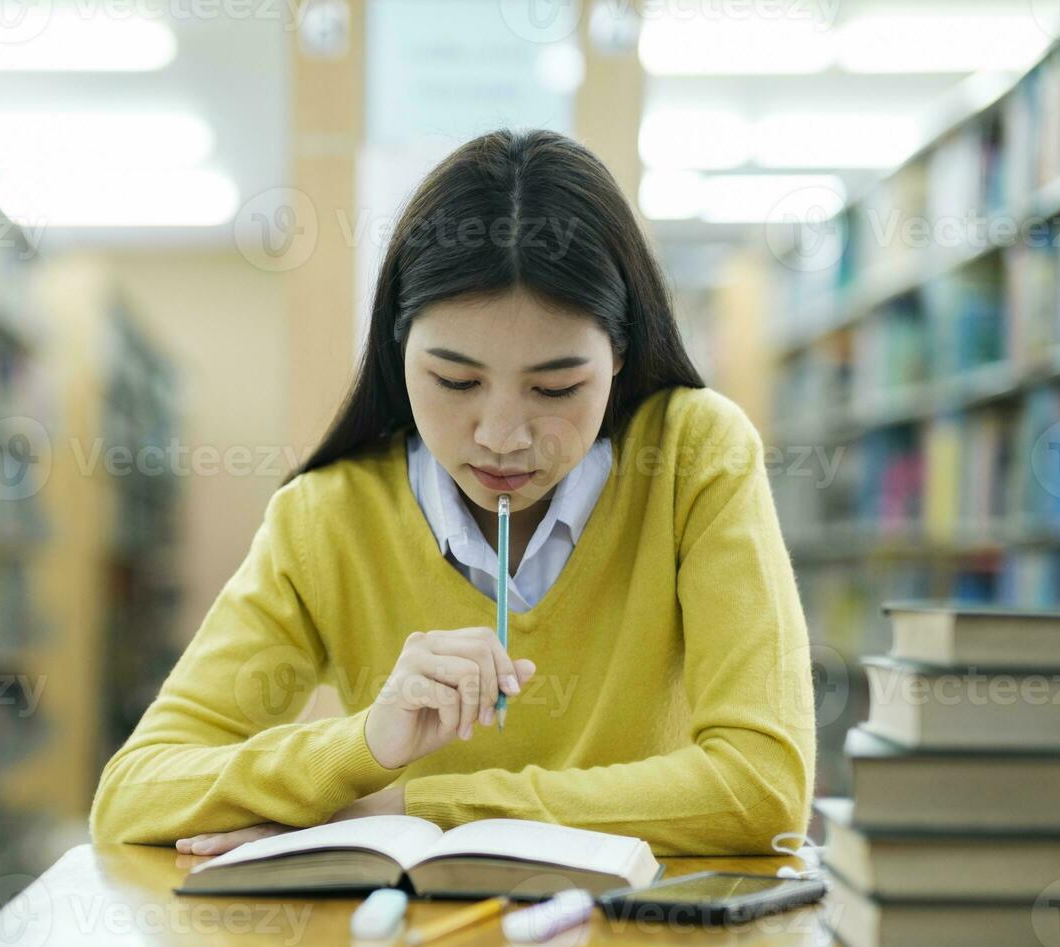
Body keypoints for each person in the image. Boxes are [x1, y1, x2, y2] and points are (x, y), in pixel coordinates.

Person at [89, 128, 815, 857]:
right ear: (398, 348)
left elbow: (762, 788)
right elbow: (135, 793)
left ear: (620, 356)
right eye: (456, 381)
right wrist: (367, 741)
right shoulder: (328, 516)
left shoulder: (694, 457)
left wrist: (408, 806)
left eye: (556, 386)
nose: (501, 435)